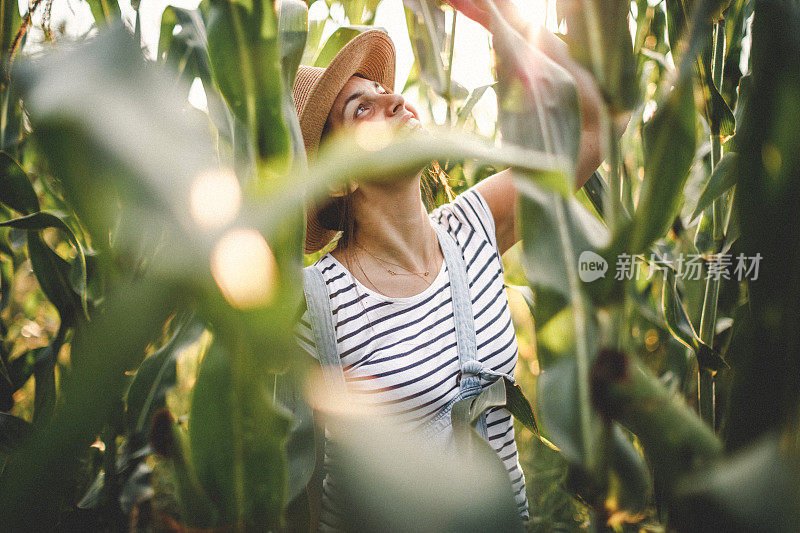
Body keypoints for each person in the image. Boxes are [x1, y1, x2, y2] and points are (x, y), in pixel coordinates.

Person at [292, 3, 604, 530]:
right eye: (360, 109)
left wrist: (499, 16)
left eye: (385, 91)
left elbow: (590, 130)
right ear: (339, 177)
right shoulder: (316, 305)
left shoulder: (473, 228)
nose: (395, 99)